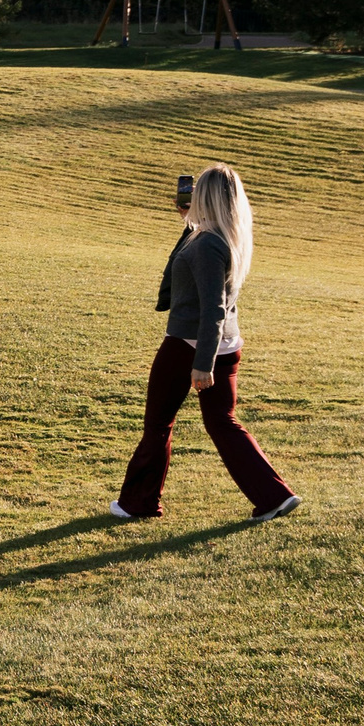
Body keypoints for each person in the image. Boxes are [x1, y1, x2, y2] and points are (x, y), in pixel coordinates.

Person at [111, 163, 300, 523]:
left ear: (207, 197)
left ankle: (139, 503)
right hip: (221, 344)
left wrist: (202, 362)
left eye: (197, 192)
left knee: (158, 424)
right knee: (222, 423)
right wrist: (189, 219)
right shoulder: (218, 237)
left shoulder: (207, 245)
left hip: (190, 346)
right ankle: (274, 496)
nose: (191, 195)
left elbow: (212, 307)